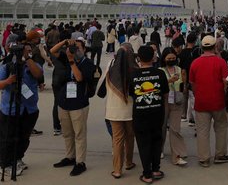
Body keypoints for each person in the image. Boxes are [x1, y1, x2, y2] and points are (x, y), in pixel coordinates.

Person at [51, 39, 95, 176]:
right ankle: (70, 157)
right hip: (64, 102)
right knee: (67, 133)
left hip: (79, 104)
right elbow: (52, 51)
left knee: (79, 134)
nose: (75, 51)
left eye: (78, 48)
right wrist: (64, 43)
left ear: (84, 50)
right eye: (73, 48)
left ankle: (80, 162)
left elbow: (79, 78)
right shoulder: (67, 57)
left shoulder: (88, 64)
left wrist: (71, 61)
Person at [0, 42, 43, 176]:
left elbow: (38, 74)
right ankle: (5, 164)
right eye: (24, 51)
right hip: (10, 109)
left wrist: (27, 58)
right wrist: (8, 81)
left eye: (29, 51)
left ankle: (17, 158)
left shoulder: (32, 65)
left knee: (24, 137)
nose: (26, 52)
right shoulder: (6, 67)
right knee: (8, 138)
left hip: (29, 109)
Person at [129, 45, 169, 183]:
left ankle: (147, 174)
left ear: (139, 58)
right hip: (157, 113)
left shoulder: (133, 75)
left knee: (143, 143)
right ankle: (156, 169)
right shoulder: (160, 73)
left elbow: (131, 94)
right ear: (153, 57)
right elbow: (165, 94)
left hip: (140, 114)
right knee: (157, 141)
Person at [189, 35, 228, 167]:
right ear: (215, 47)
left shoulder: (195, 63)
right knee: (221, 127)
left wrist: (198, 94)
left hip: (201, 101)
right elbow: (226, 81)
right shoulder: (221, 62)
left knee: (202, 130)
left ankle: (204, 158)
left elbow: (192, 83)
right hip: (218, 101)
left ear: (202, 47)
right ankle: (220, 154)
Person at [104, 44, 137, 178]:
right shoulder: (135, 68)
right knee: (130, 137)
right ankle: (128, 162)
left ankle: (117, 170)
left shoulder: (110, 66)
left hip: (113, 111)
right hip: (130, 111)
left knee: (117, 140)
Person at [160, 47, 188, 166]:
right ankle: (159, 149)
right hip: (164, 102)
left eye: (173, 58)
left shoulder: (179, 69)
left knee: (175, 129)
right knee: (161, 128)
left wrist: (184, 80)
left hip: (177, 102)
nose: (171, 60)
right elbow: (158, 86)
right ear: (164, 59)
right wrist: (169, 81)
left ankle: (177, 155)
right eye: (169, 58)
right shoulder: (160, 71)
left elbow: (183, 86)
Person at [179, 33, 200, 126]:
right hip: (194, 77)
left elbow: (181, 68)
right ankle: (191, 118)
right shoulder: (197, 51)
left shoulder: (182, 52)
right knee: (192, 98)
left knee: (184, 96)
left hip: (184, 76)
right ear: (195, 41)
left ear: (187, 41)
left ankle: (183, 115)